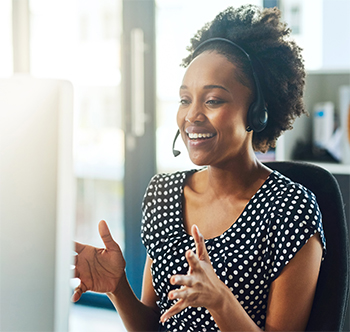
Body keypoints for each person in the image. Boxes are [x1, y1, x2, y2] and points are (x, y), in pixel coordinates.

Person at [72, 4, 326, 331]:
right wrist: (118, 288)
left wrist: (221, 302)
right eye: (184, 99)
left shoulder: (290, 211)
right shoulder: (163, 196)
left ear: (257, 111)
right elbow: (154, 326)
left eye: (213, 100)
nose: (191, 116)